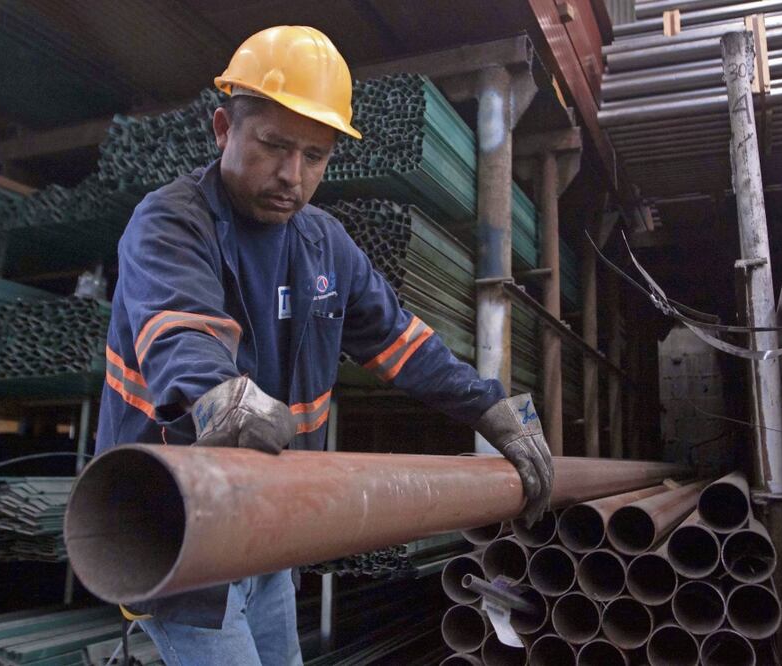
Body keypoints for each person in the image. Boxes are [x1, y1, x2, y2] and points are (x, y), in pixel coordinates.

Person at [95, 25, 554, 665]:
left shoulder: (323, 243)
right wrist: (217, 395)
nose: (292, 175)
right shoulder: (171, 222)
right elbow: (183, 332)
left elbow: (401, 343)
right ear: (225, 128)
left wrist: (490, 407)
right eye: (274, 145)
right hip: (177, 533)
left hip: (265, 527)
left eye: (315, 156)